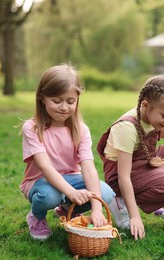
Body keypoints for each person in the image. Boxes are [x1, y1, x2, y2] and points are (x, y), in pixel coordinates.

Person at [97, 74, 164, 240]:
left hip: (145, 162)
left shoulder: (148, 116)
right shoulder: (127, 128)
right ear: (145, 105)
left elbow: (160, 129)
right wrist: (135, 216)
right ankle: (120, 202)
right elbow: (123, 176)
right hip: (121, 177)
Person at [20, 64, 114, 241]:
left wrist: (96, 208)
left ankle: (64, 210)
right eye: (57, 101)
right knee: (50, 196)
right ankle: (36, 217)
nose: (64, 107)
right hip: (39, 182)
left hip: (71, 177)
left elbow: (88, 167)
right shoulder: (32, 128)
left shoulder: (81, 130)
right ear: (42, 98)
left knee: (105, 193)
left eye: (70, 101)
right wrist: (71, 193)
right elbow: (45, 167)